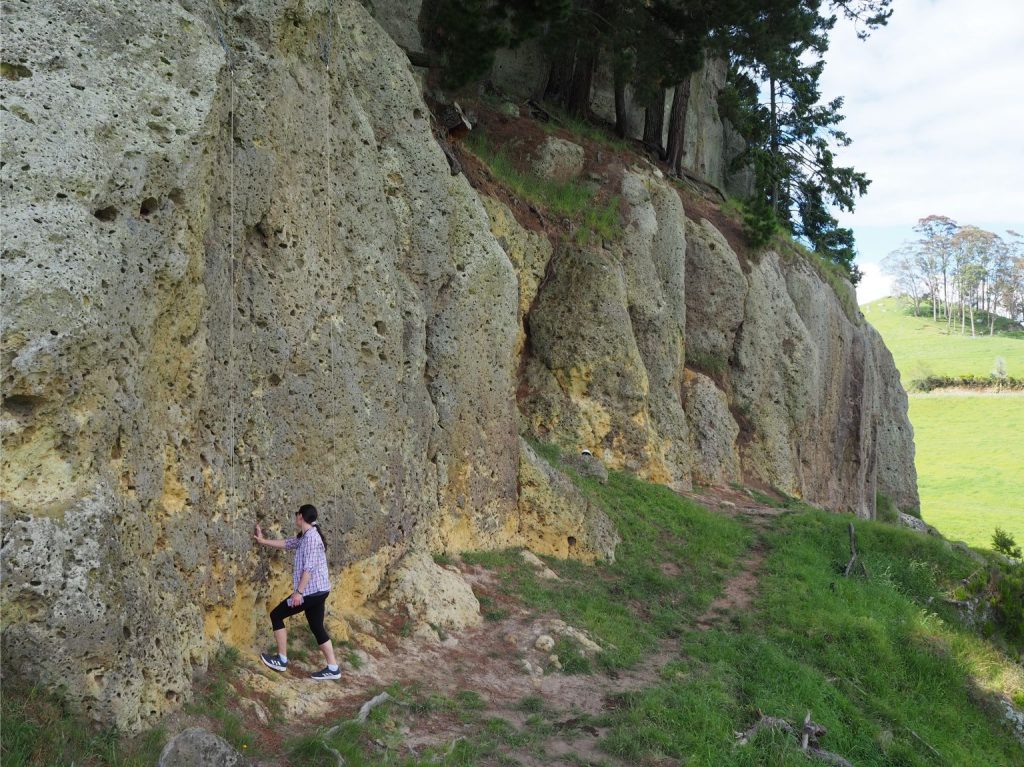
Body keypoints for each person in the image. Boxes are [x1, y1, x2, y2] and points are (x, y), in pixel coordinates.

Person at [253, 504, 341, 681]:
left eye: (296, 515)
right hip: (320, 590)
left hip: (309, 591)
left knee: (276, 615)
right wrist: (263, 541)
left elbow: (308, 569)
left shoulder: (310, 539)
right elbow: (288, 543)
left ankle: (282, 659)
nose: (295, 518)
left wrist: (299, 593)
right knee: (317, 627)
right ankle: (333, 668)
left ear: (301, 516)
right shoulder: (308, 535)